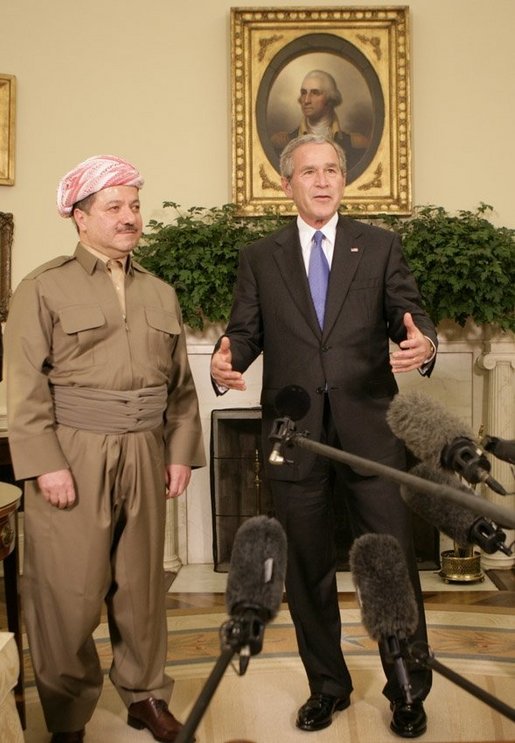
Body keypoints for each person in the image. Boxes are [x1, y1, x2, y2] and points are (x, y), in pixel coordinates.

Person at [211, 134, 437, 739]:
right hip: (295, 433)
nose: (322, 179)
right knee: (306, 565)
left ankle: (407, 689)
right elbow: (245, 332)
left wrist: (426, 343)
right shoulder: (260, 256)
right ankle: (328, 687)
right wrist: (226, 359)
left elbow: (410, 314)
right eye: (309, 171)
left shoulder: (381, 246)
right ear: (287, 184)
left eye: (332, 169)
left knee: (387, 564)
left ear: (344, 180)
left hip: (369, 430)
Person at [4, 155, 206, 743]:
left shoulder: (160, 292)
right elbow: (25, 384)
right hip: (73, 452)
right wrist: (45, 465)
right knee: (66, 593)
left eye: (135, 205)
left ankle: (145, 695)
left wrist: (177, 452)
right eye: (114, 207)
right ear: (79, 217)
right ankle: (67, 717)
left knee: (142, 586)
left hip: (145, 448)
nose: (130, 217)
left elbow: (181, 389)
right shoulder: (42, 287)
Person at [270, 70, 368, 172]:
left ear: (330, 98)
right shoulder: (281, 144)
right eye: (304, 93)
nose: (306, 100)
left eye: (315, 93)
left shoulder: (357, 145)